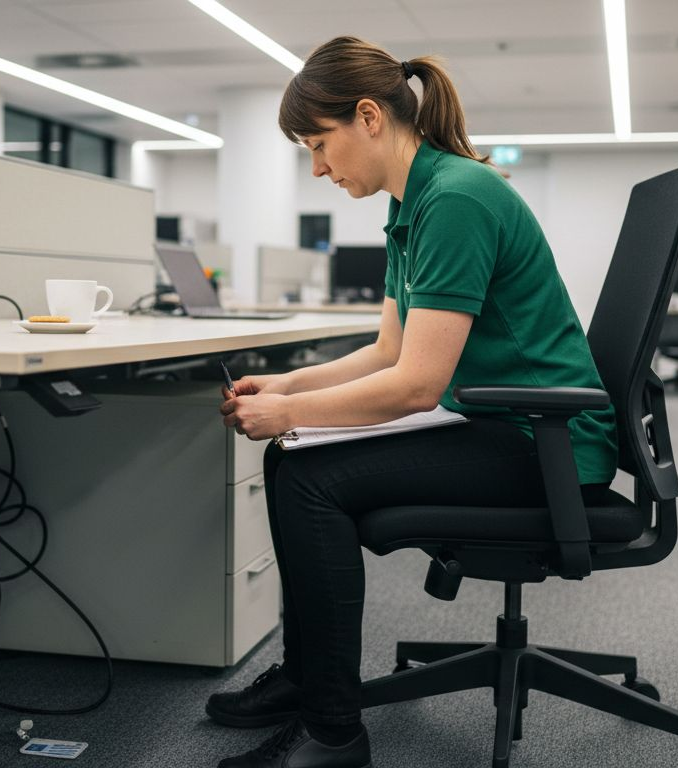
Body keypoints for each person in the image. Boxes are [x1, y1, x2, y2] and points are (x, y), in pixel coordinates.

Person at [210, 36, 618, 768]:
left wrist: (292, 414)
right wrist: (288, 388)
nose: (318, 168)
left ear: (368, 116)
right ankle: (306, 681)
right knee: (289, 457)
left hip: (548, 445)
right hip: (508, 427)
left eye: (319, 144)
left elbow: (416, 386)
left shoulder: (457, 198)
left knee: (306, 474)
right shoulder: (414, 203)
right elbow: (386, 352)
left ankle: (333, 732)